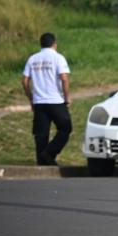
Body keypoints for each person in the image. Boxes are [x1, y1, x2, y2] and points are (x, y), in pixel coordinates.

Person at [21, 32, 72, 165]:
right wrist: (67, 98)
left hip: (39, 102)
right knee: (65, 128)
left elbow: (25, 81)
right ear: (54, 44)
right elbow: (64, 79)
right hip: (56, 101)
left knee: (41, 134)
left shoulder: (32, 59)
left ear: (41, 44)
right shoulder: (58, 58)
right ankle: (49, 153)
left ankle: (42, 161)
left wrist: (31, 99)